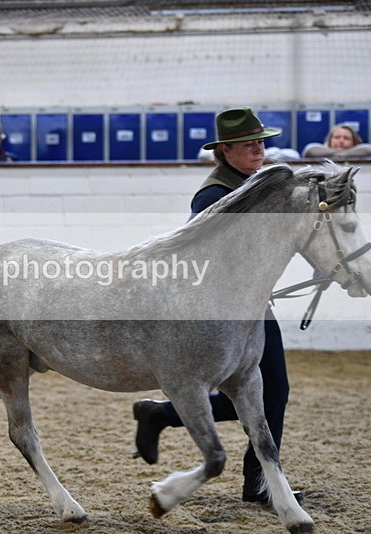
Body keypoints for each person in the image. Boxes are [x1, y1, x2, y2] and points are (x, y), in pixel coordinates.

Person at [132, 107, 303, 506]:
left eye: (261, 142)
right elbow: (199, 252)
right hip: (219, 316)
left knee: (269, 391)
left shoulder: (260, 184)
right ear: (225, 150)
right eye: (249, 144)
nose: (259, 149)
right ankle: (255, 479)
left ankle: (163, 416)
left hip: (252, 309)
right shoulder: (214, 195)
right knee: (262, 392)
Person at [302, 123, 371, 159]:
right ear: (330, 140)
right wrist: (340, 154)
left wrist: (339, 155)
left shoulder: (362, 151)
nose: (341, 141)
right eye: (337, 137)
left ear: (354, 142)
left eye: (346, 138)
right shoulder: (319, 151)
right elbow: (309, 150)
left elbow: (369, 150)